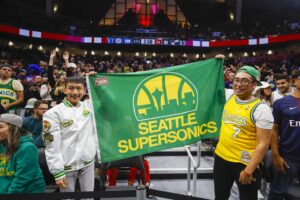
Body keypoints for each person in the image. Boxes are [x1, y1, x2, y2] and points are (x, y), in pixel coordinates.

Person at [214, 65, 274, 200]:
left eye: (244, 81)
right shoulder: (229, 95)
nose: (238, 84)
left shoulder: (261, 109)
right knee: (220, 197)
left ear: (254, 85)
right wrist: (217, 64)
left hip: (245, 164)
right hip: (221, 158)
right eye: (236, 80)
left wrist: (248, 171)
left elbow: (264, 144)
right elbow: (211, 83)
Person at [43, 76, 97, 193]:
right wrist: (57, 172)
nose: (75, 92)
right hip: (66, 167)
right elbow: (51, 145)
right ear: (65, 90)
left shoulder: (89, 106)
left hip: (88, 163)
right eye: (71, 88)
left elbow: (107, 99)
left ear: (84, 91)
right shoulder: (52, 114)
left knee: (88, 198)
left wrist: (96, 80)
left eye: (79, 88)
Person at [268, 72, 300, 200]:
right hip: (288, 157)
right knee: (278, 192)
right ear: (294, 80)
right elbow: (274, 130)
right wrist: (275, 155)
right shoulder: (280, 103)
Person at [0, 113, 45, 193]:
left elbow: (21, 180)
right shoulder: (2, 145)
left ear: (13, 129)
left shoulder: (27, 148)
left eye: (0, 127)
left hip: (26, 193)